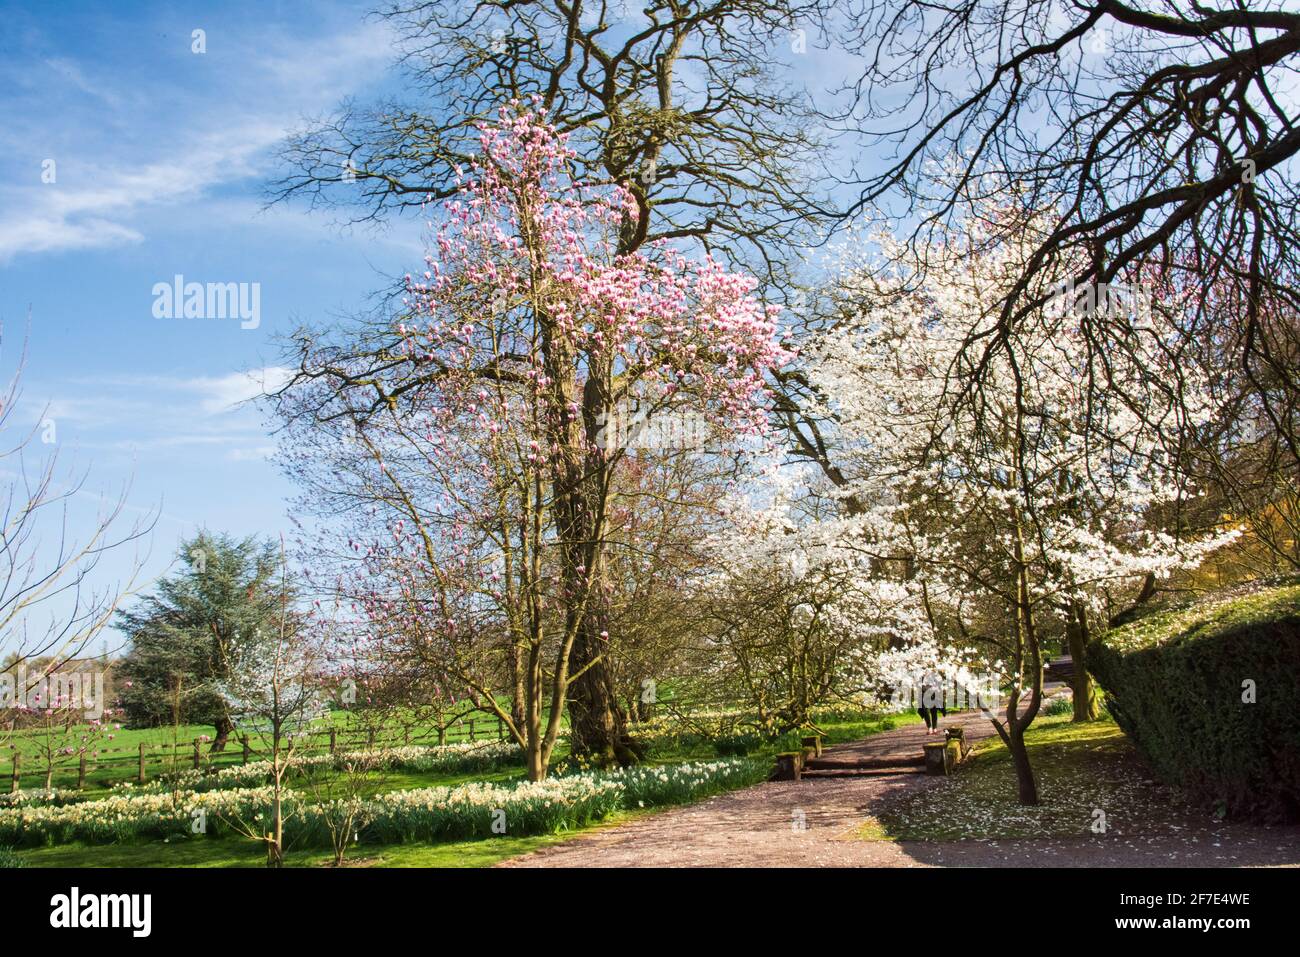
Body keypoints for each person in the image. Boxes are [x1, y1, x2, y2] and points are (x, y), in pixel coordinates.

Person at [918, 670, 947, 735]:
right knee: (925, 712)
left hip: (933, 694)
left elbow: (939, 685)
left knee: (934, 711)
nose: (926, 672)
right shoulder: (921, 677)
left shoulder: (934, 677)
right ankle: (930, 728)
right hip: (924, 695)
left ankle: (934, 729)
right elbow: (920, 686)